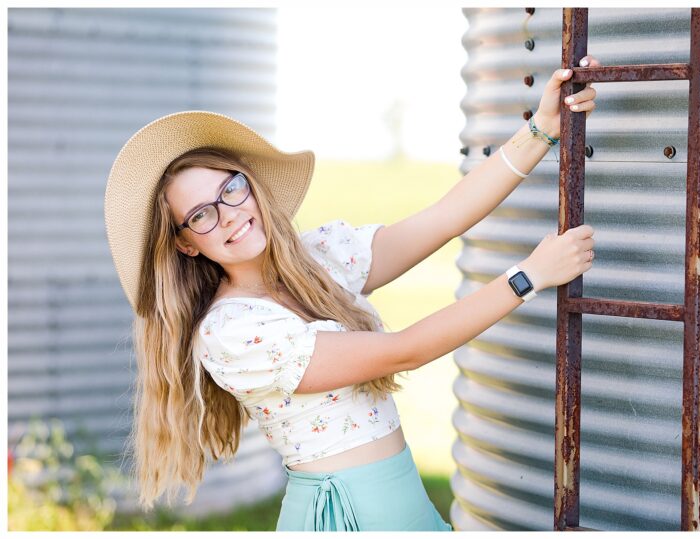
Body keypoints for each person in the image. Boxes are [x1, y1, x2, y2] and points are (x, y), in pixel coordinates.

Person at [103, 55, 601, 532]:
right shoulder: (232, 332)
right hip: (344, 515)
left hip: (401, 500)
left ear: (249, 185)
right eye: (201, 215)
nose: (229, 213)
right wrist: (529, 277)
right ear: (186, 244)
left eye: (230, 189)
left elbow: (443, 219)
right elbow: (404, 352)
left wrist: (541, 130)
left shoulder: (316, 261)